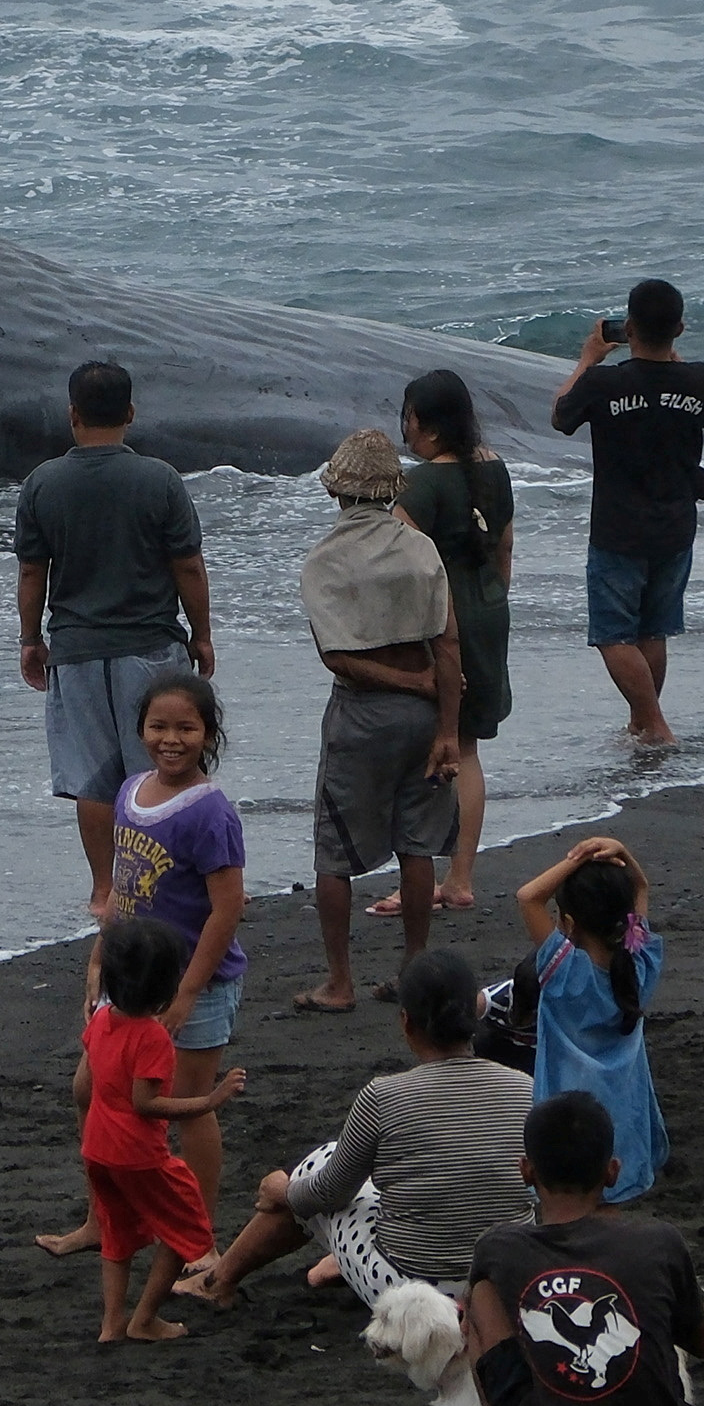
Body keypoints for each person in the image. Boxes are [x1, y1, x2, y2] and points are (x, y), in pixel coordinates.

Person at [178, 949, 523, 1309]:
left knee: (318, 1164)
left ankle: (217, 1281)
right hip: (502, 1282)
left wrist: (284, 1190)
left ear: (406, 1021)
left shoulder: (384, 1095)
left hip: (415, 1291)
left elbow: (328, 1195)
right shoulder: (524, 1088)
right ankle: (314, 1266)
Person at [42, 673, 248, 1259]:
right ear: (140, 731)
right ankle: (104, 1219)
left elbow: (227, 907)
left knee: (188, 1107)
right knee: (90, 1090)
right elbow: (123, 898)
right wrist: (97, 962)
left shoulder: (210, 813)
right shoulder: (131, 793)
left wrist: (185, 993)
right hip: (126, 984)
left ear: (209, 734)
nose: (171, 739)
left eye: (187, 727)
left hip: (194, 987)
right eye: (158, 726)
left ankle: (199, 1243)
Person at [464, 1091, 704, 1406]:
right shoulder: (660, 1240)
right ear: (613, 1171)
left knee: (479, 1302)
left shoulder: (500, 1248)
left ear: (526, 1169)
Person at [14, 363, 214, 916]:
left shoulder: (43, 483)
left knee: (93, 779)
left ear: (72, 414)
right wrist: (202, 633)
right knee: (162, 765)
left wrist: (31, 638)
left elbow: (33, 572)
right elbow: (188, 566)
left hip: (76, 652)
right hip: (151, 647)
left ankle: (107, 890)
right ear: (130, 414)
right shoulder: (160, 479)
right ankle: (165, 883)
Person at [296, 431, 461, 1009]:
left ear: (338, 493)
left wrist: (408, 684)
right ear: (392, 491)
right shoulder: (420, 549)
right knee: (417, 846)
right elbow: (447, 645)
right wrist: (447, 730)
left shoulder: (325, 558)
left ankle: (339, 981)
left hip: (362, 716)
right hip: (423, 716)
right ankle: (413, 970)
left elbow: (337, 658)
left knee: (334, 852)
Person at [554, 280, 704, 749]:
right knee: (654, 627)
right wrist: (671, 361)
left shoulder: (605, 382)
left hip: (617, 525)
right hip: (675, 524)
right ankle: (642, 722)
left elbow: (560, 416)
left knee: (612, 634)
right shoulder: (701, 379)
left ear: (627, 329)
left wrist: (589, 357)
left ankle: (656, 725)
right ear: (681, 329)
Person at [72, 917, 248, 1344]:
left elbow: (99, 1077)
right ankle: (145, 1317)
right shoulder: (152, 1037)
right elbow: (145, 1104)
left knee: (116, 1235)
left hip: (97, 1147)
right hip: (137, 1153)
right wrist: (210, 1100)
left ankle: (111, 1323)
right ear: (168, 989)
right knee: (188, 1227)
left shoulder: (100, 1020)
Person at [396, 368, 515, 908]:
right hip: (489, 608)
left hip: (439, 620)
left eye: (410, 417)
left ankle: (419, 881)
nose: (407, 429)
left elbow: (404, 568)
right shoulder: (497, 471)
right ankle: (460, 877)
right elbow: (504, 547)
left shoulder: (418, 486)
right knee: (465, 748)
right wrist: (492, 600)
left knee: (429, 743)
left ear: (428, 425)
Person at [515, 837, 665, 1203]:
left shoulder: (563, 971)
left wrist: (576, 859)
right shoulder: (639, 966)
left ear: (567, 922)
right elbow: (641, 887)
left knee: (563, 1212)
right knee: (610, 1216)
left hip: (564, 1127)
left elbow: (528, 897)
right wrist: (624, 852)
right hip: (625, 1127)